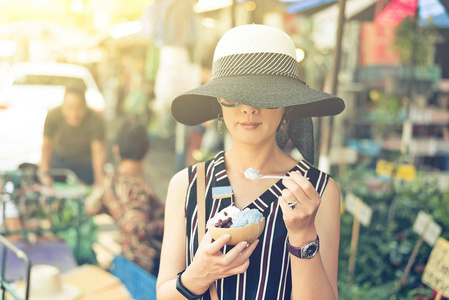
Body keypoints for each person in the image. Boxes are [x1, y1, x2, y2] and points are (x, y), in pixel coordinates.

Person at [156, 24, 345, 299]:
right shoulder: (187, 184)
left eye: (265, 96)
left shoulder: (318, 191)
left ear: (287, 105)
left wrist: (303, 235)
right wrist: (200, 273)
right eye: (233, 95)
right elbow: (163, 294)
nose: (248, 108)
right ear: (218, 103)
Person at [85, 121, 164, 276]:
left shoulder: (110, 180)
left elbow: (91, 207)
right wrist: (167, 222)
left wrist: (115, 210)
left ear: (117, 150)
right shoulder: (138, 188)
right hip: (149, 264)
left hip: (127, 258)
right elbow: (136, 227)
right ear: (146, 150)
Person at [40, 87, 106, 186]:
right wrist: (44, 175)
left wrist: (99, 183)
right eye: (70, 107)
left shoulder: (96, 120)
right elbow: (46, 147)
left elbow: (98, 153)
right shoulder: (52, 116)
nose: (74, 113)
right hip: (59, 161)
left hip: (86, 163)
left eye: (79, 108)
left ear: (85, 106)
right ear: (63, 106)